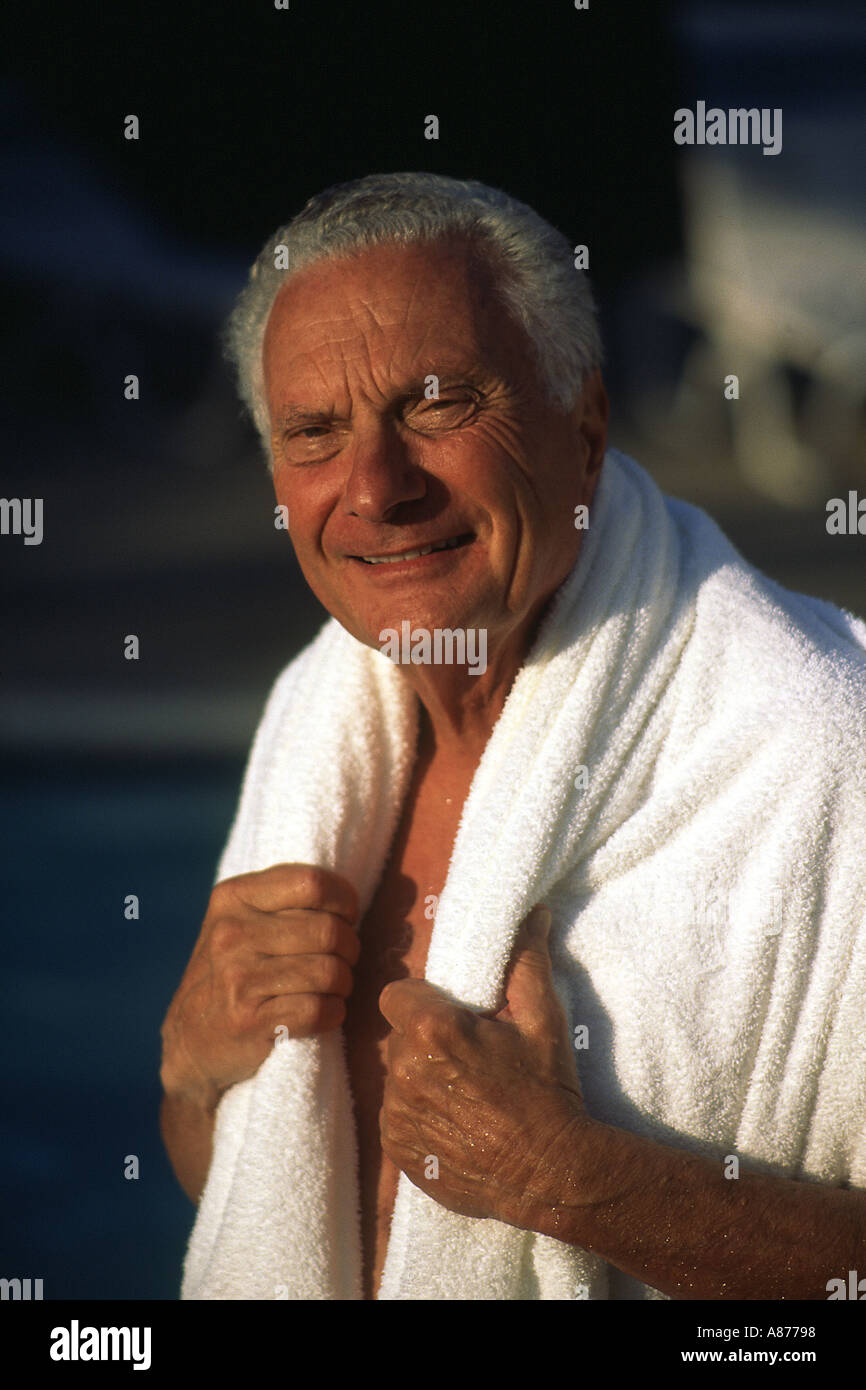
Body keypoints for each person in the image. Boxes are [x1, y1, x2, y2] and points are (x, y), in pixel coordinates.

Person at [160, 172, 866, 1301]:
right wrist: (195, 1077)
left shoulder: (819, 754)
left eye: (437, 404)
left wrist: (572, 1181)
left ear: (582, 427)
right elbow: (270, 1204)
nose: (374, 487)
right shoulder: (317, 715)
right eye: (313, 432)